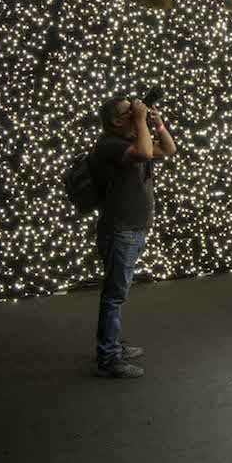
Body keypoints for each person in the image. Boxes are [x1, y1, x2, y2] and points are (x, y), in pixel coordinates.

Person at [88, 94, 176, 378]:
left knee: (117, 293)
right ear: (116, 121)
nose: (137, 112)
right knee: (114, 296)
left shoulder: (132, 142)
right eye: (129, 111)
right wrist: (141, 121)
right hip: (120, 231)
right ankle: (108, 358)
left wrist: (157, 124)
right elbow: (146, 154)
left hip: (133, 229)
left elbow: (169, 149)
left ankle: (113, 345)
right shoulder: (109, 145)